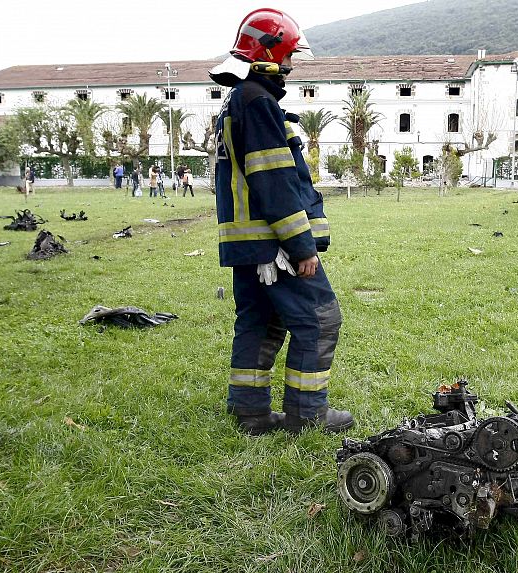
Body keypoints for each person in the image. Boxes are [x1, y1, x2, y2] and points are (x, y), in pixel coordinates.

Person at [209, 7, 352, 435]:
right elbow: (273, 179)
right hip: (275, 246)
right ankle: (307, 416)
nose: (290, 67)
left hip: (247, 244)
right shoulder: (258, 102)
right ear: (268, 54)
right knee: (320, 320)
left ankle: (249, 412)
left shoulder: (238, 102)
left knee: (259, 321)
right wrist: (301, 245)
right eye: (287, 57)